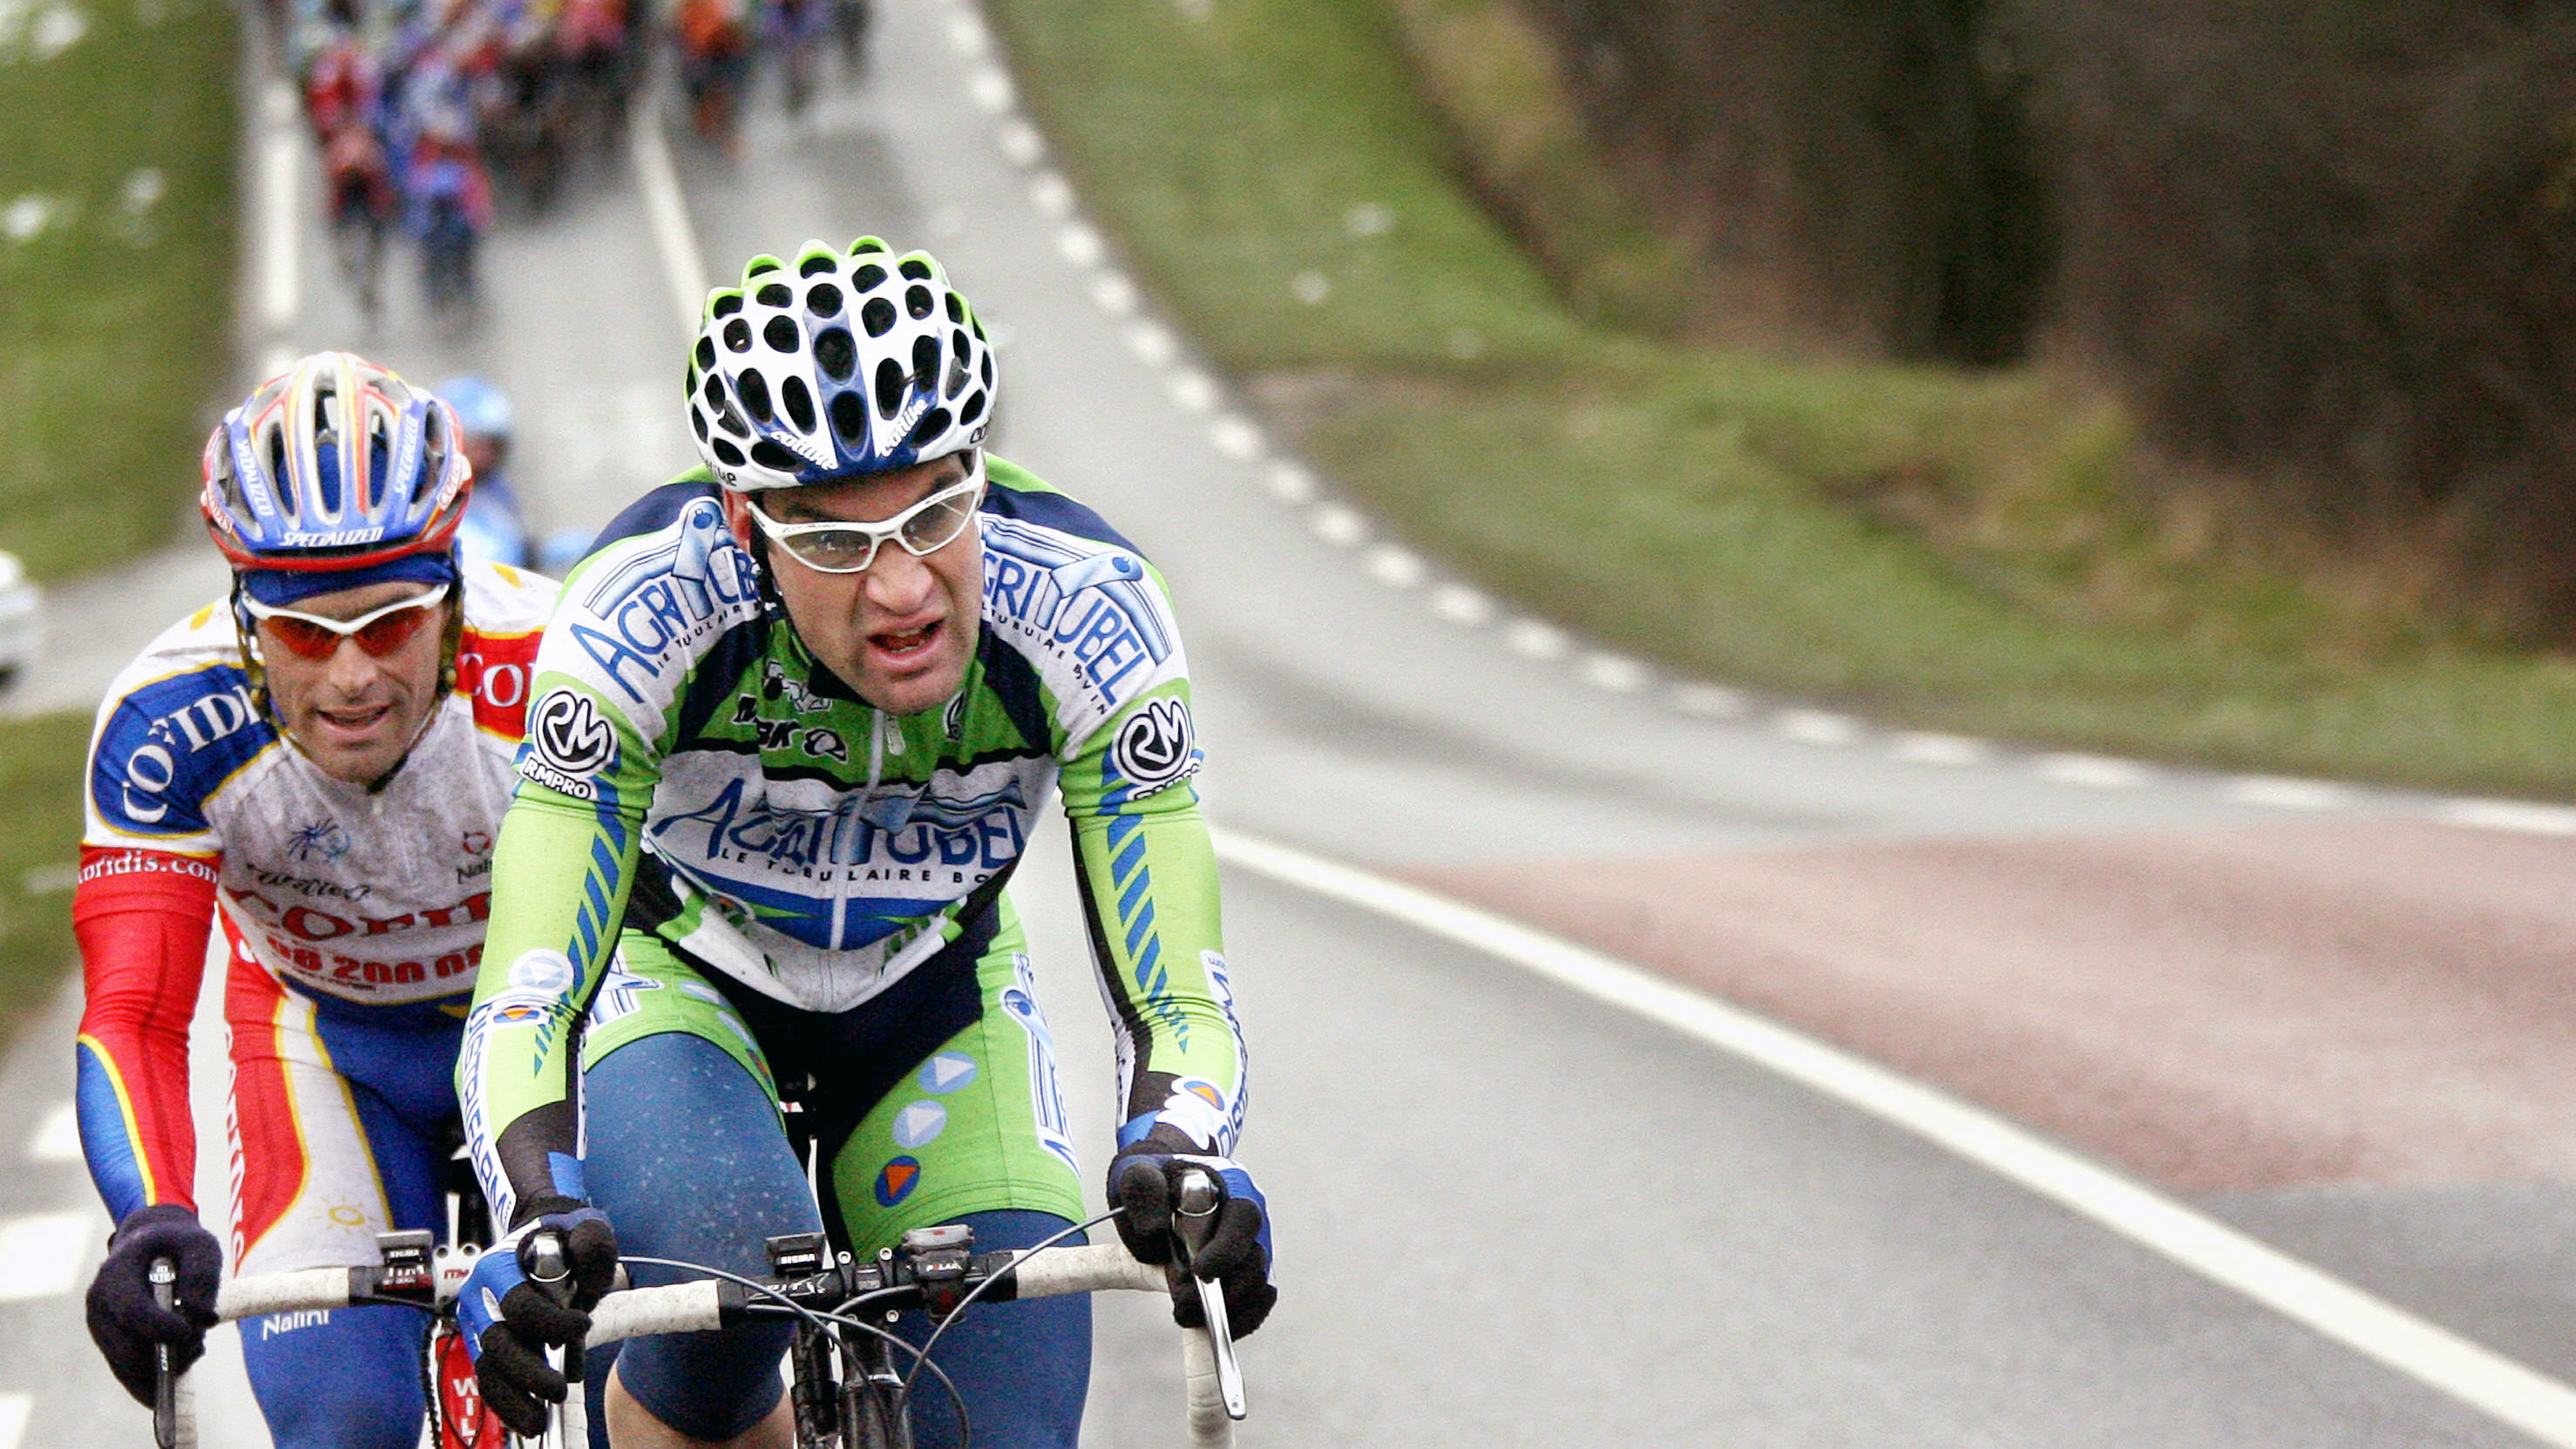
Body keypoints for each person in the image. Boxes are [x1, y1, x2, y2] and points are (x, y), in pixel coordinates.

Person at [455, 238, 1277, 1447]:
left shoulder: (1087, 605)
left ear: (978, 471)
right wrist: (536, 1202)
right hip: (685, 986)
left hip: (934, 998)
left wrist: (1185, 1147)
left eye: (937, 510)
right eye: (834, 542)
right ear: (745, 522)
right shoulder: (641, 609)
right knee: (722, 1297)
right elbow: (526, 990)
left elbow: (1179, 992)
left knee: (1006, 1417)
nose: (901, 588)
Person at [74, 353, 557, 1448]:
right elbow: (136, 1014)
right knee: (340, 1418)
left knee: (666, 1380)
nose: (350, 678)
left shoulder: (553, 666)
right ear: (246, 620)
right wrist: (148, 1221)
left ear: (454, 593)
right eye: (303, 634)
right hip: (328, 1050)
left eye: (391, 625)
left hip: (554, 1042)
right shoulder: (166, 719)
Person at [437, 375, 535, 570]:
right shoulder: (422, 492)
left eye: (493, 445)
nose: (485, 456)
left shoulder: (497, 490)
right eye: (475, 444)